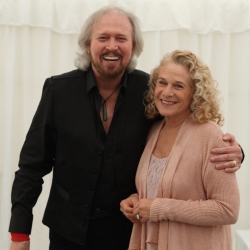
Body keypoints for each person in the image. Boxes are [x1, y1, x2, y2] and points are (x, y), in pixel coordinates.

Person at [9, 6, 243, 250]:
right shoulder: (58, 91)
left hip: (129, 236)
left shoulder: (151, 91)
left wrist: (237, 152)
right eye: (103, 37)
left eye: (121, 38)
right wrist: (19, 234)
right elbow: (30, 168)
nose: (112, 46)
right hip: (65, 233)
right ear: (88, 44)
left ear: (133, 47)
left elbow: (188, 127)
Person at [120, 50, 240, 250]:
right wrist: (137, 201)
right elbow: (161, 189)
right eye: (162, 82)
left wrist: (159, 208)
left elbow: (228, 210)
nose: (167, 92)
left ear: (195, 93)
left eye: (178, 86)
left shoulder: (210, 136)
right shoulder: (154, 130)